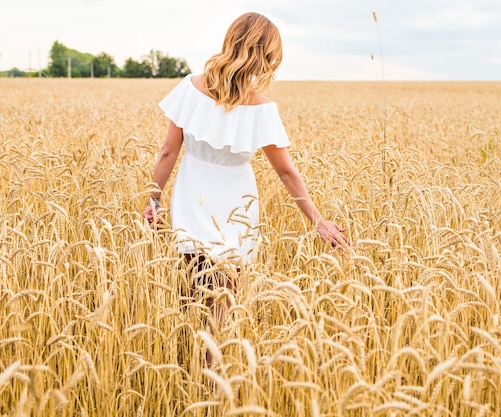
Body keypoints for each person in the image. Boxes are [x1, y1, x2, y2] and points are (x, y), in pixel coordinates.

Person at [143, 12, 351, 337]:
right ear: (265, 57)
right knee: (225, 302)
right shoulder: (262, 108)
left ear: (231, 42)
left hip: (190, 196)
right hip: (235, 206)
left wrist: (154, 201)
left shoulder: (190, 87)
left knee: (192, 290)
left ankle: (188, 367)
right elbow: (286, 172)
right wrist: (317, 220)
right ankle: (215, 378)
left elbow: (168, 151)